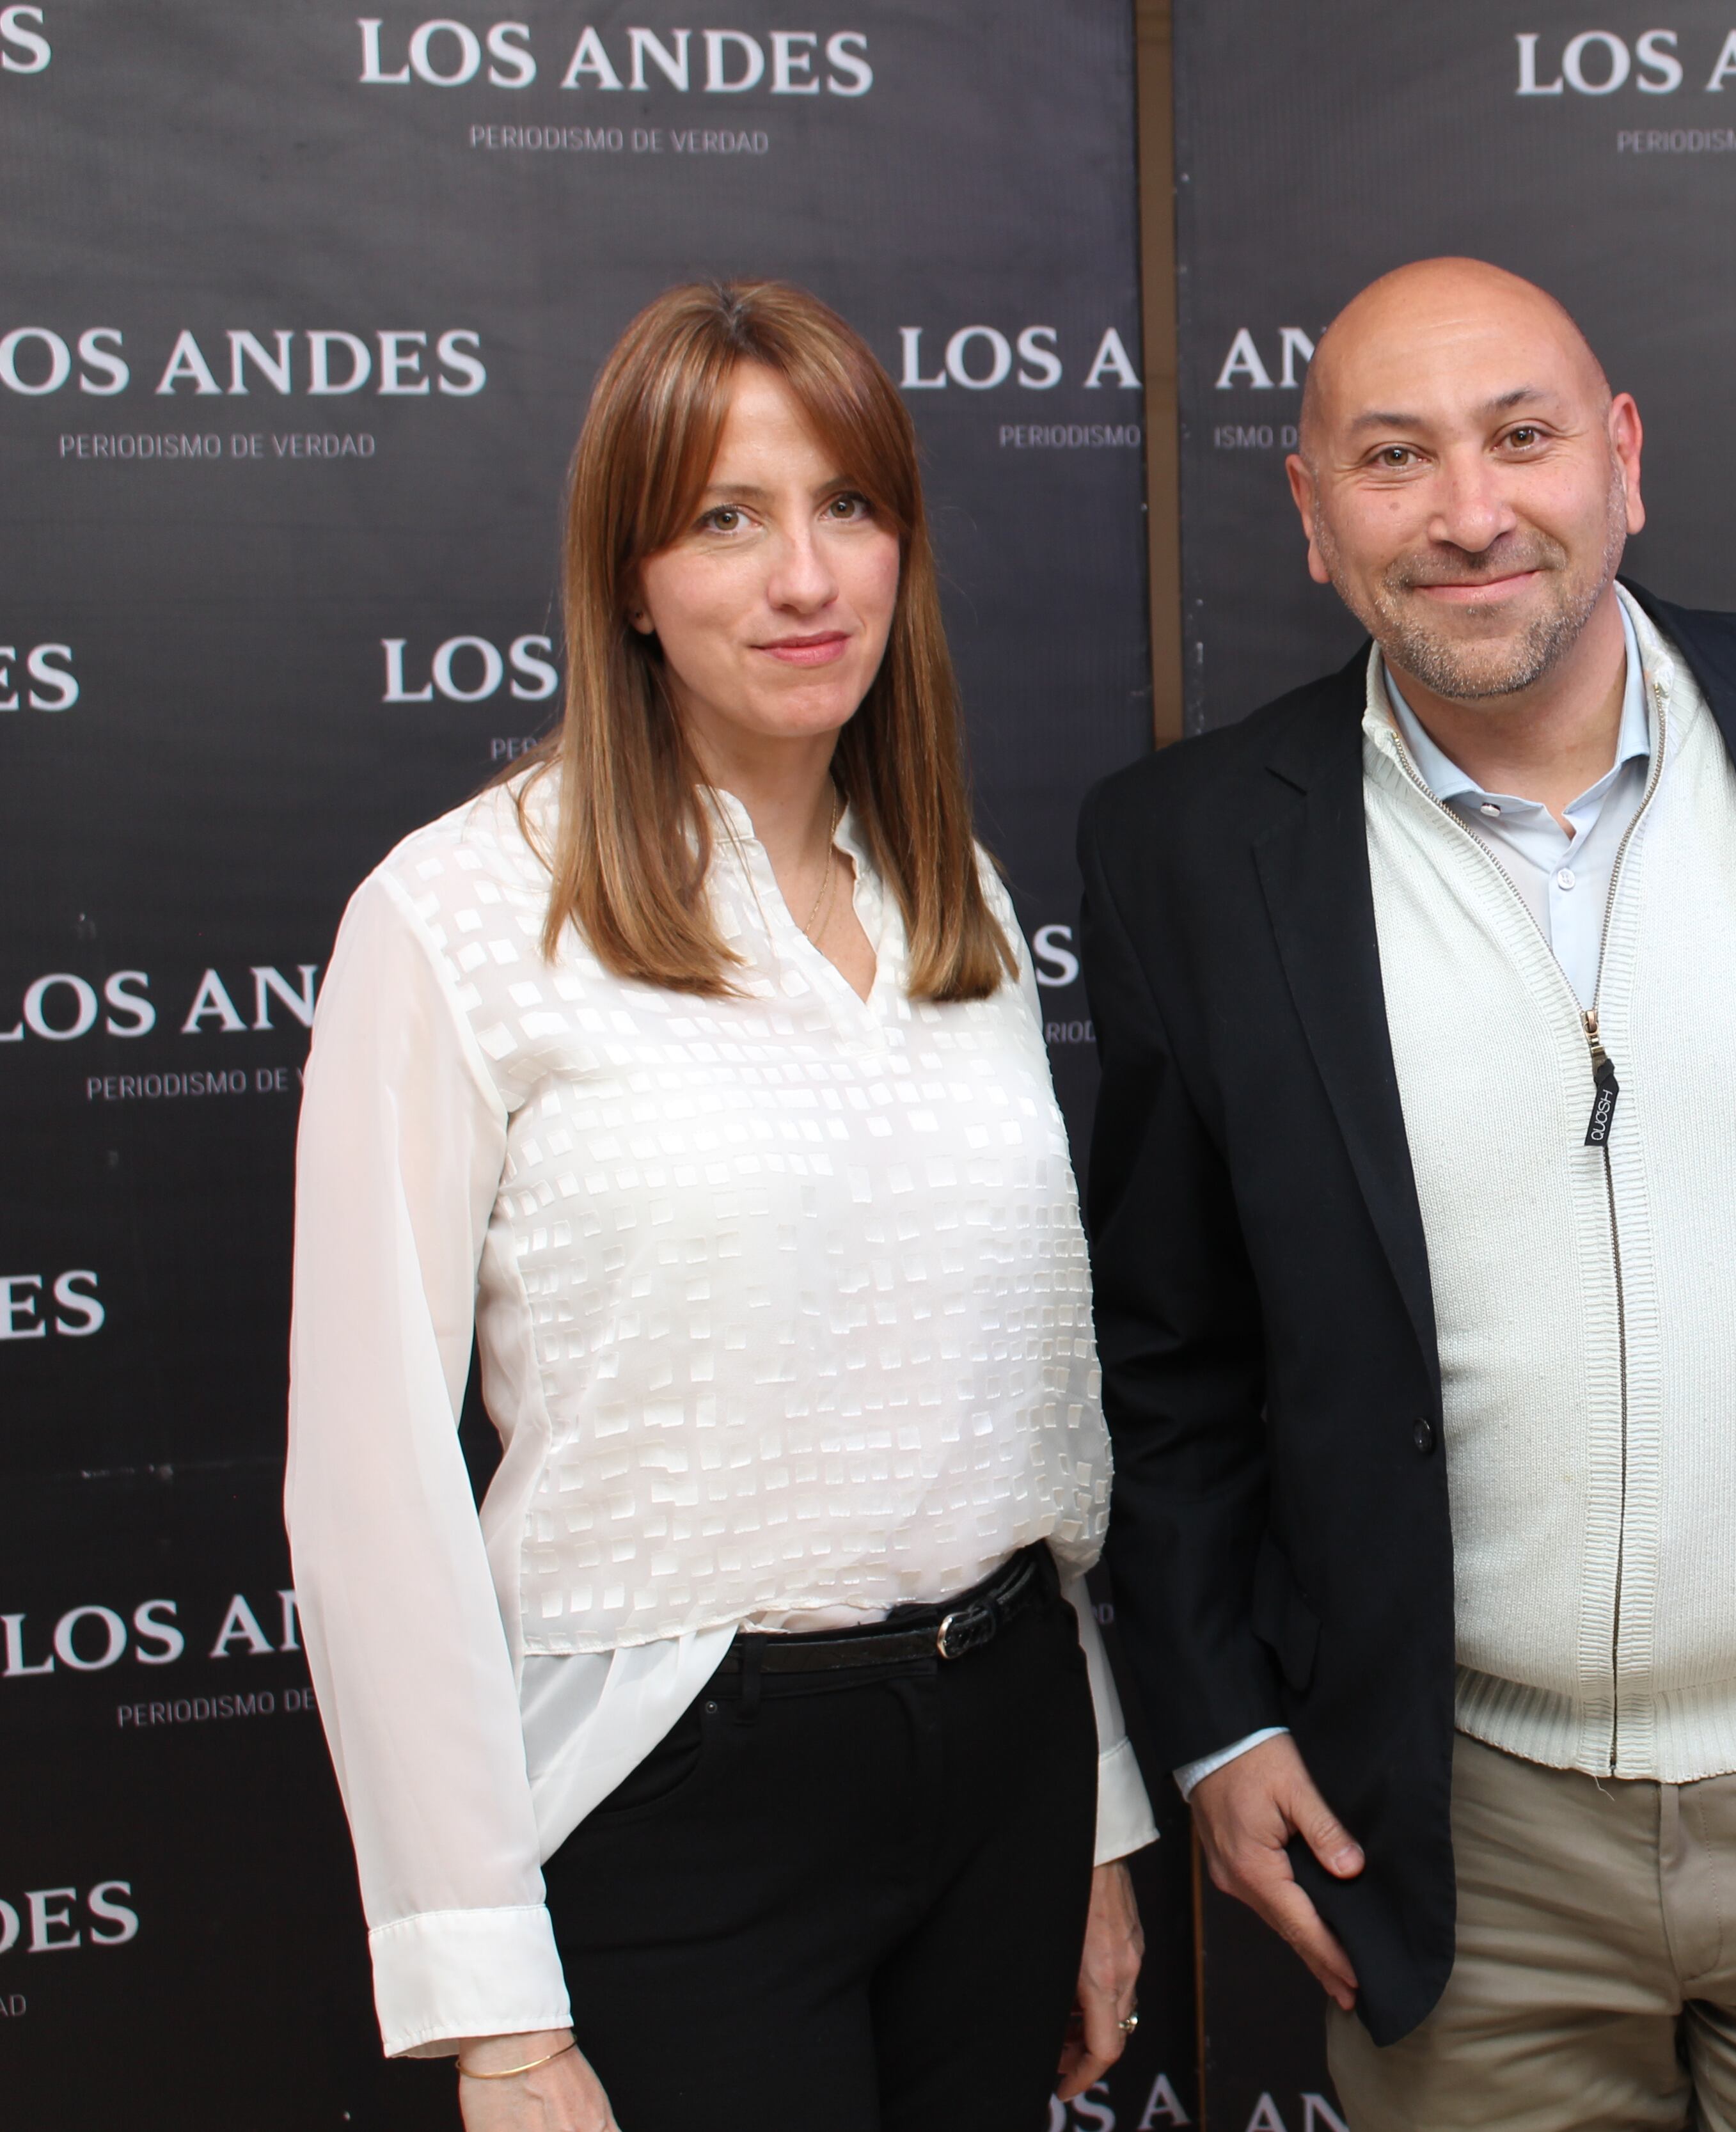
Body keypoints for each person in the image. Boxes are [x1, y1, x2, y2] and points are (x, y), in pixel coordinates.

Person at [1075, 257, 1736, 2130]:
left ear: (1623, 459)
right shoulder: (1190, 853)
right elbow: (1167, 1347)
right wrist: (1218, 1716)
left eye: (1523, 438)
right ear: (1313, 518)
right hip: (1457, 1840)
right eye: (1395, 458)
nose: (1471, 513)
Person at [284, 280, 1155, 2132]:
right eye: (724, 520)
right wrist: (495, 2014)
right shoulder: (456, 919)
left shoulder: (958, 905)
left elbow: (999, 1410)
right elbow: (369, 1488)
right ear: (627, 578)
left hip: (998, 1759)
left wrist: (1089, 1820)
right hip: (681, 1798)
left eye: (849, 504)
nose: (805, 577)